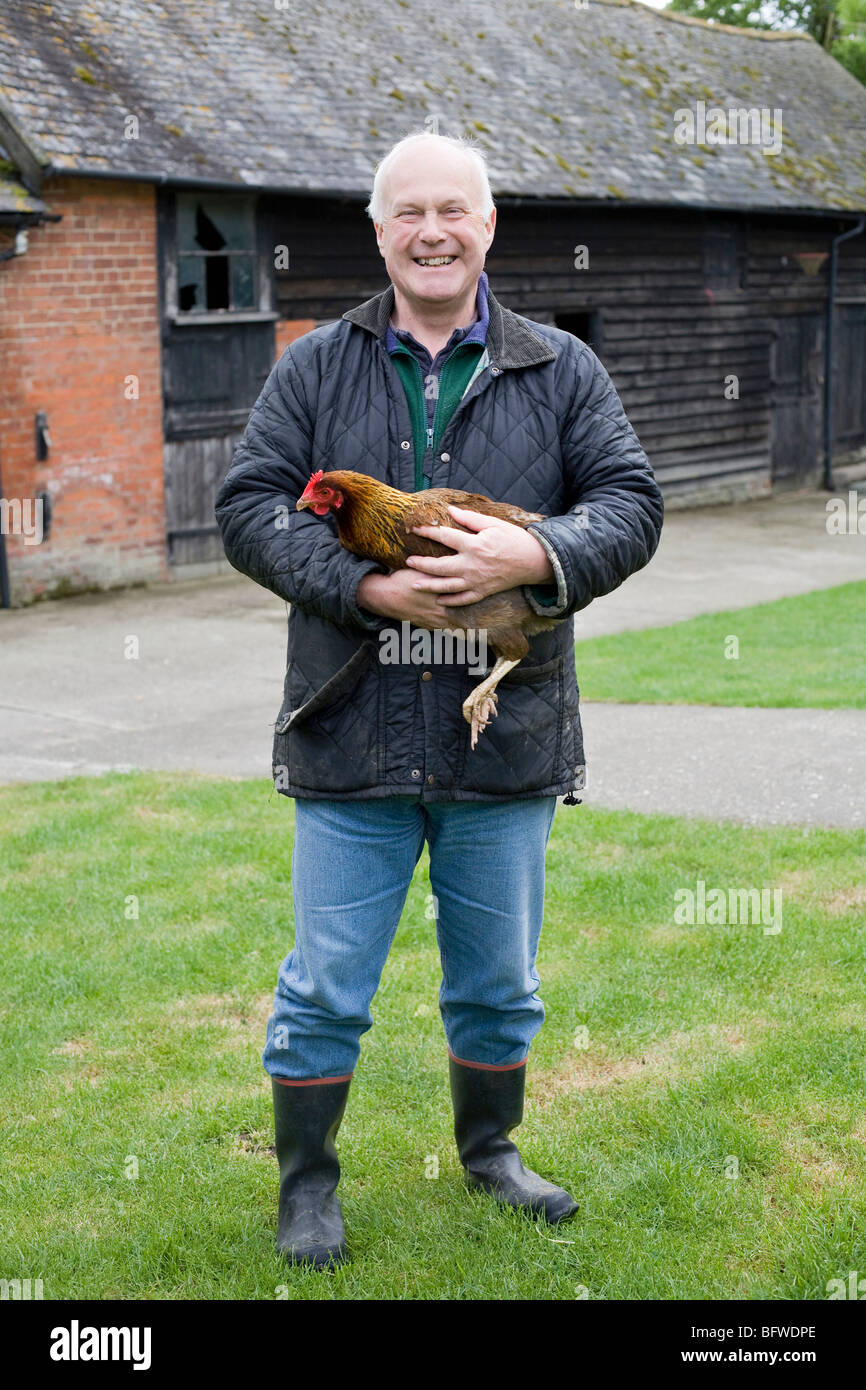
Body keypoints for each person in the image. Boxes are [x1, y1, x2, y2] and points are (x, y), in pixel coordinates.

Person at [215, 130, 664, 1270]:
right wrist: (365, 584)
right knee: (323, 984)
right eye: (407, 211)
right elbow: (248, 507)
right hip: (347, 724)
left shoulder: (560, 367)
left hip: (503, 731)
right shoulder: (315, 364)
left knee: (499, 983)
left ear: (486, 226)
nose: (430, 231)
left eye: (451, 211)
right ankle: (307, 1186)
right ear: (378, 231)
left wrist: (533, 557)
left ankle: (490, 1152)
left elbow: (630, 502)